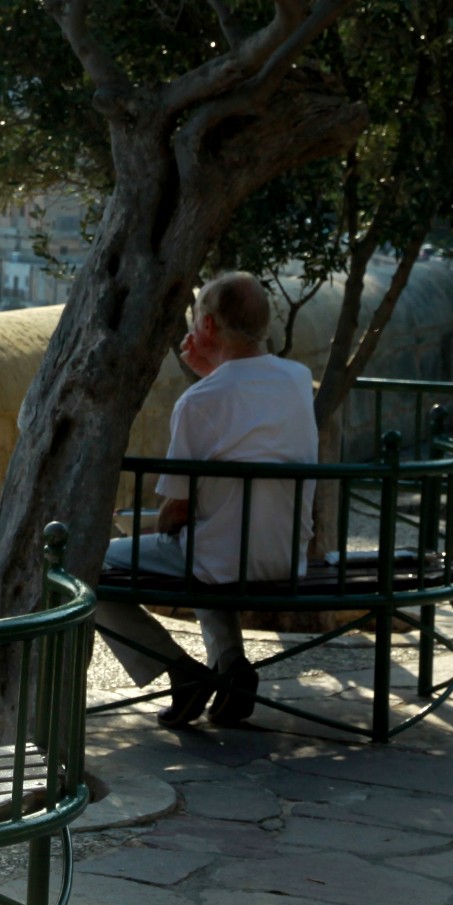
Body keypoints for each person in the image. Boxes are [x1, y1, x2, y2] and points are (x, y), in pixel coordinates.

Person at [96, 272, 317, 728]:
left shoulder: (199, 401)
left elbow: (174, 513)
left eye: (196, 321)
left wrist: (206, 382)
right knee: (204, 545)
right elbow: (246, 392)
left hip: (219, 560)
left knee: (88, 568)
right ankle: (231, 666)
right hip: (286, 558)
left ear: (209, 327)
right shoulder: (298, 379)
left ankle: (179, 670)